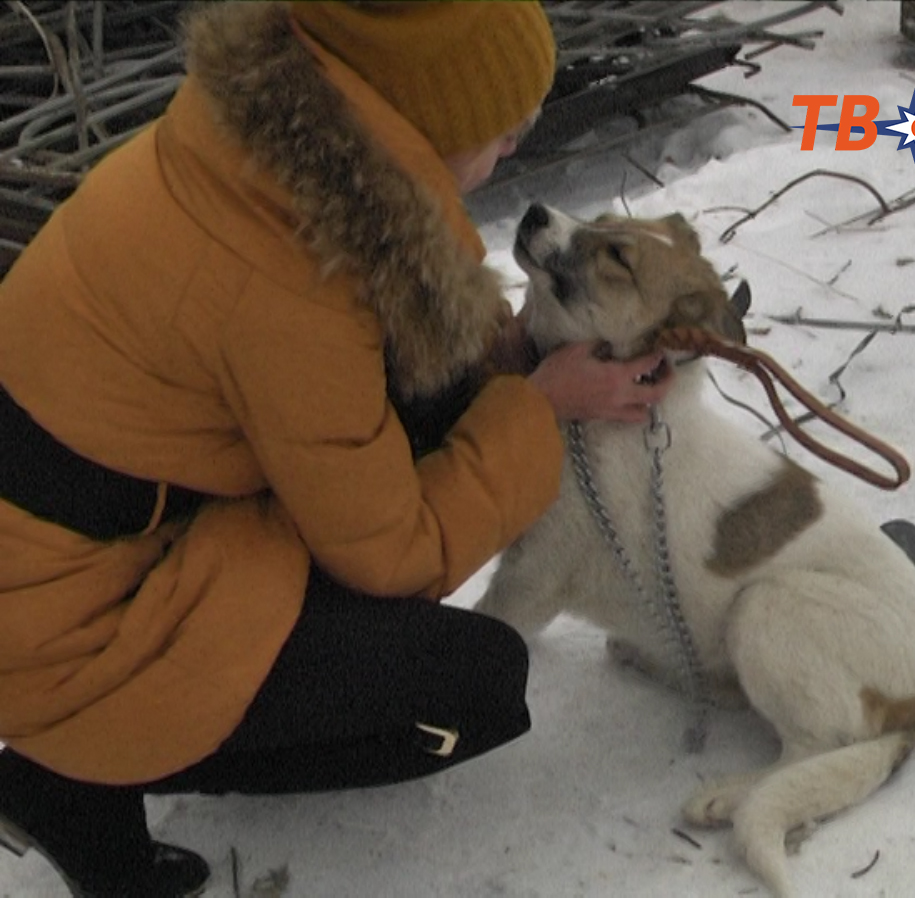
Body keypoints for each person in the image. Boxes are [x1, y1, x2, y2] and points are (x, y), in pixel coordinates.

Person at [0, 3, 674, 895]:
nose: (517, 141)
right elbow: (390, 559)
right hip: (64, 635)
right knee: (471, 685)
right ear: (422, 122)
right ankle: (69, 774)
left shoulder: (258, 161)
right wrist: (534, 413)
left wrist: (505, 365)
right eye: (501, 125)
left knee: (436, 390)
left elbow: (369, 374)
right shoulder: (287, 286)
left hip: (92, 539)